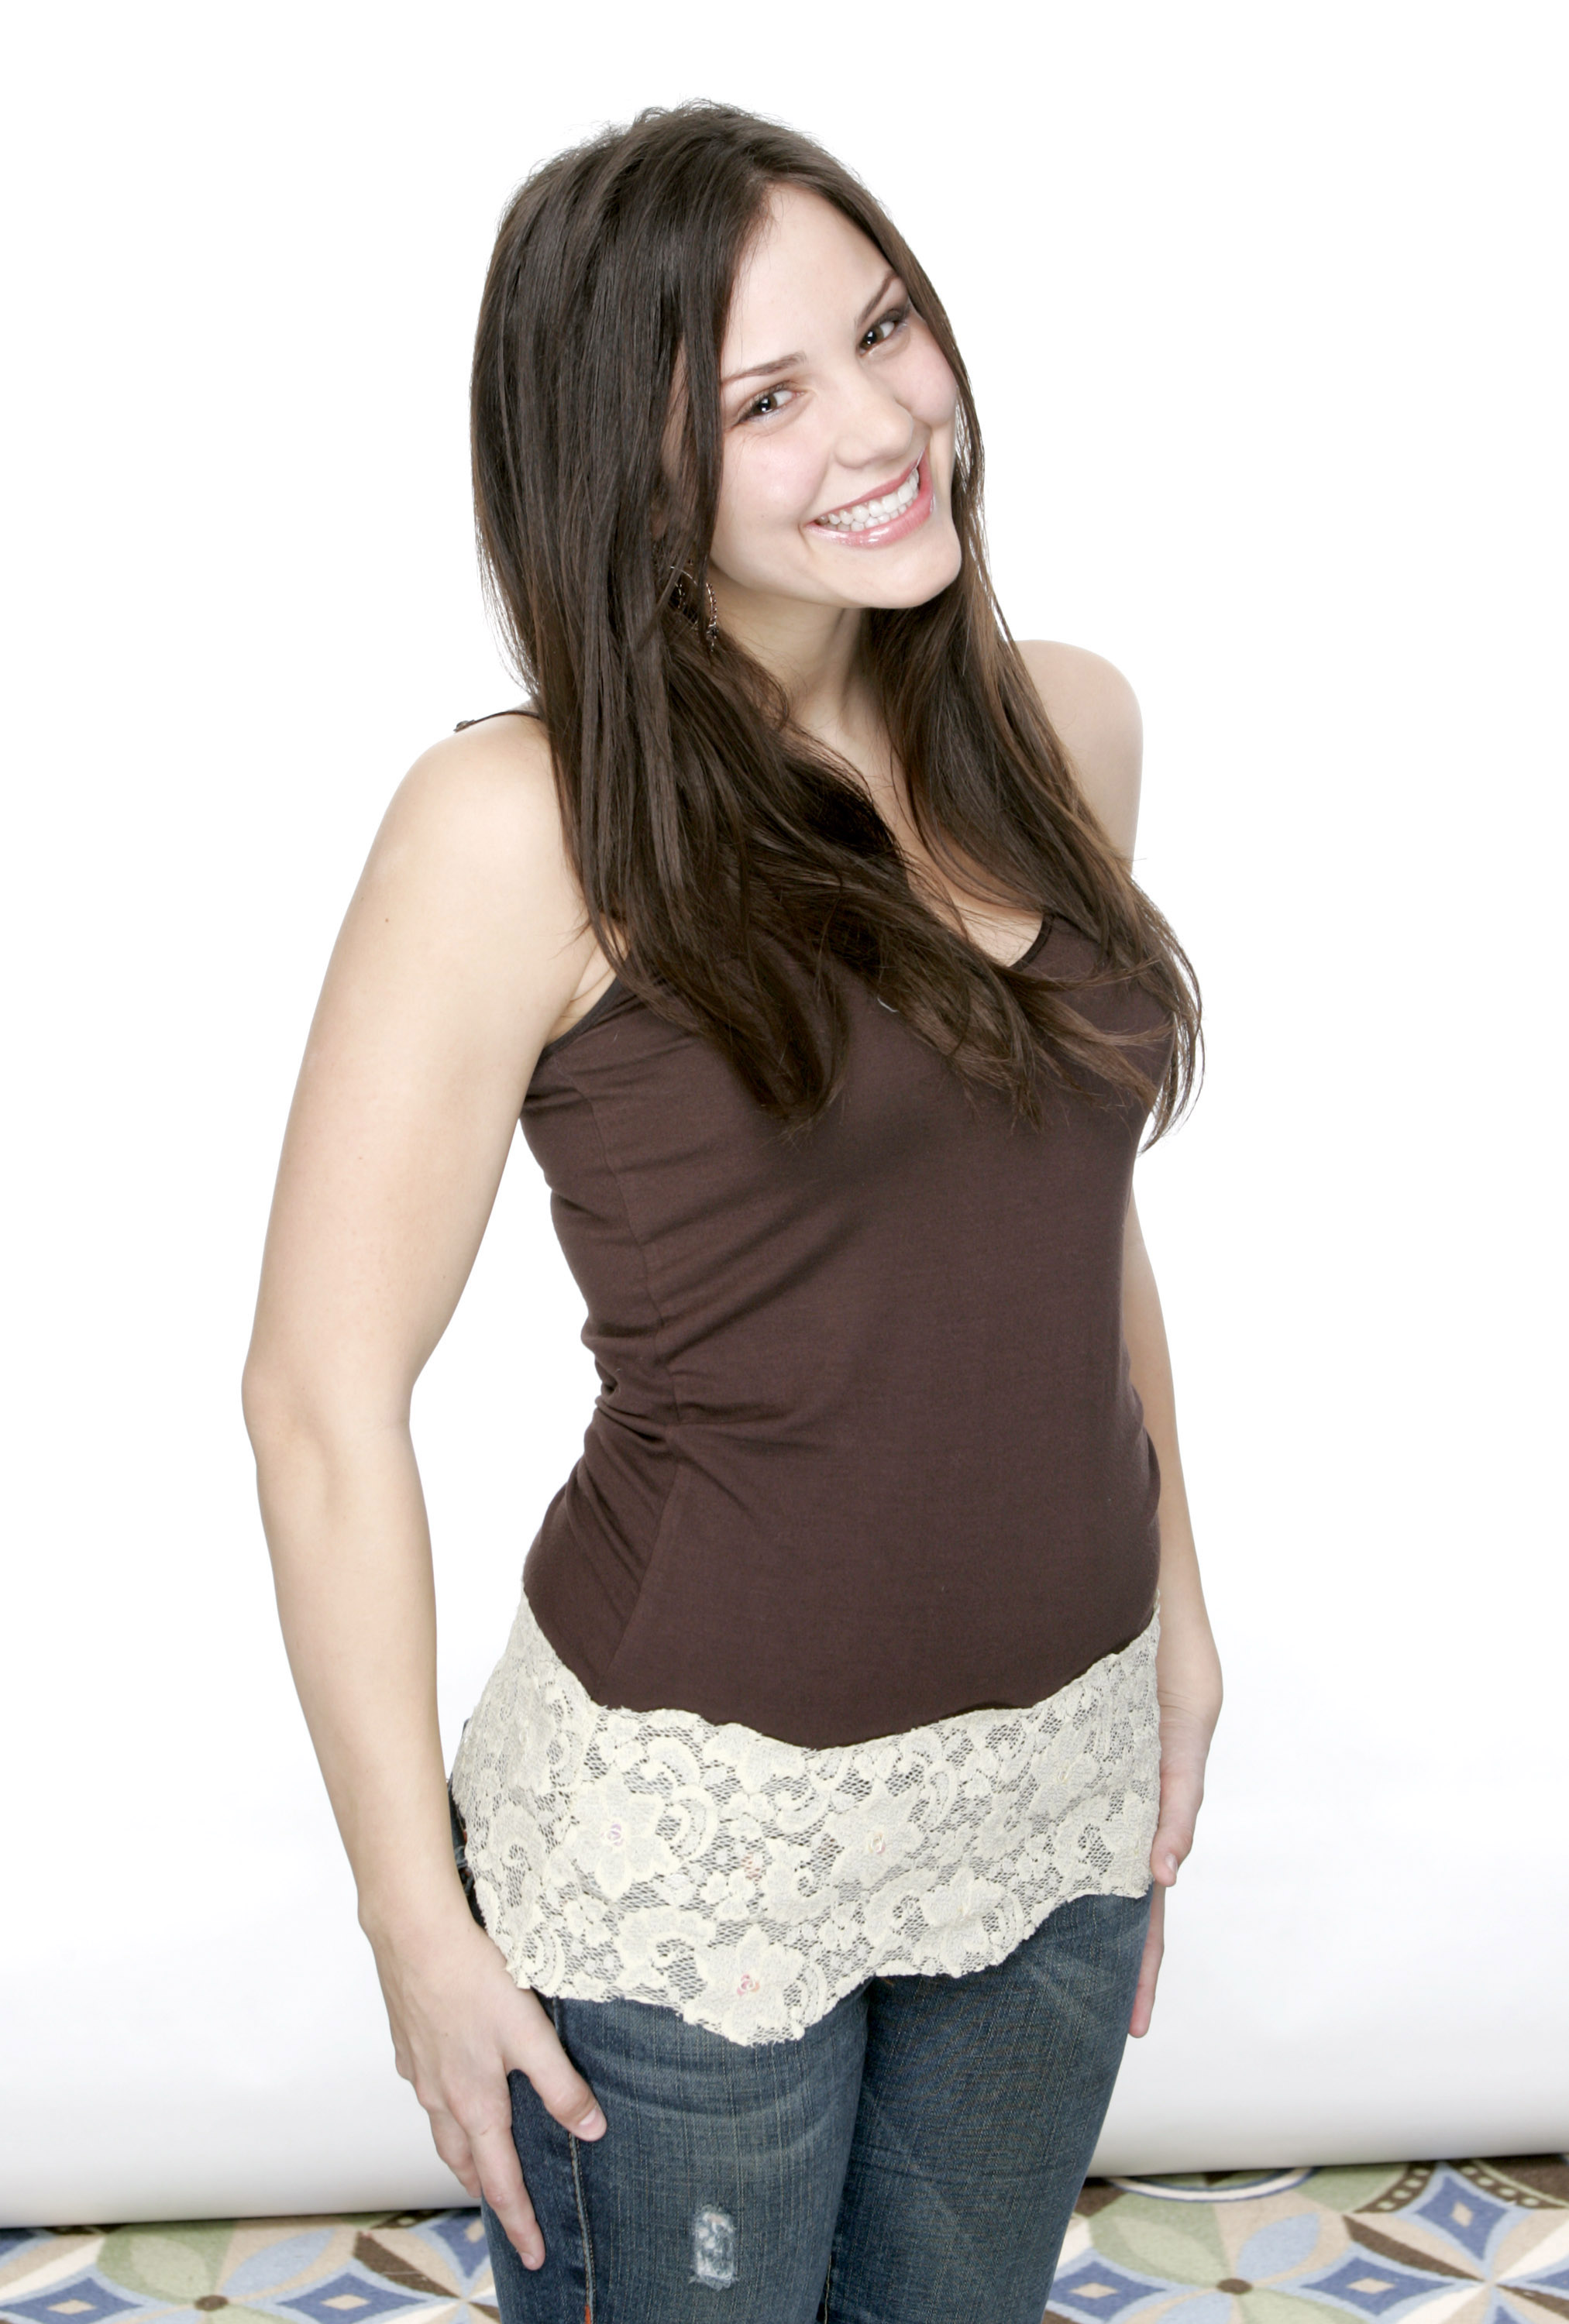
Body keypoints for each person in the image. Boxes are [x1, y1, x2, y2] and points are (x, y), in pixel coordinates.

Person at [243, 100, 1222, 2324]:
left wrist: (1178, 1612)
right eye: (763, 402)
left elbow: (1069, 1218)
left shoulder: (1066, 730)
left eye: (882, 332)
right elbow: (316, 1399)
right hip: (692, 1859)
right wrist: (416, 1927)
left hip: (1052, 1784)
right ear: (630, 472)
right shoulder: (521, 823)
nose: (879, 425)